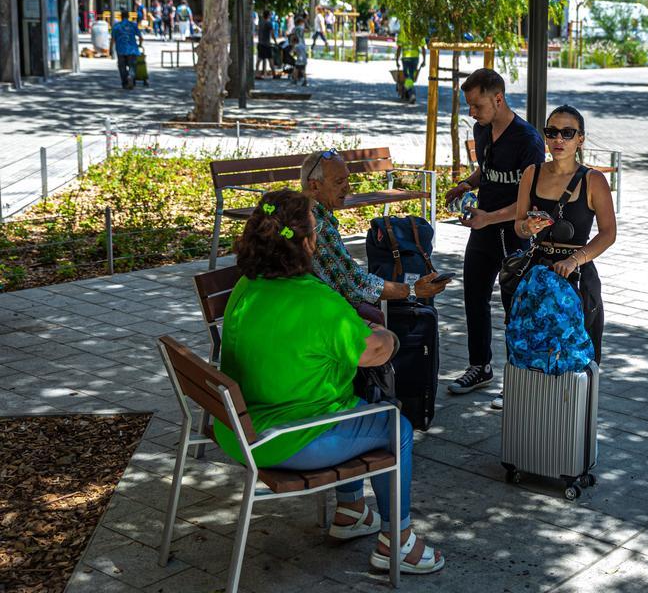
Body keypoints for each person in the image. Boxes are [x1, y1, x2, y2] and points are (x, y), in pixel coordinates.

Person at [213, 190, 444, 574]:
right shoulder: (317, 301)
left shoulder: (247, 286)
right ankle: (398, 542)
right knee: (395, 425)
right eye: (316, 232)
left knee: (351, 398)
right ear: (306, 243)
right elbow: (376, 352)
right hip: (287, 437)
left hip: (239, 427)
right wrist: (386, 335)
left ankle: (352, 512)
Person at [444, 69, 545, 397]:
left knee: (515, 307)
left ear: (498, 99)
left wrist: (490, 218)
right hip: (483, 230)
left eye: (476, 106)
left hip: (515, 234)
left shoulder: (529, 140)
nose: (472, 113)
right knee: (474, 296)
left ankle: (517, 379)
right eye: (469, 107)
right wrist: (465, 185)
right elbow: (485, 169)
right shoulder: (482, 129)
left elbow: (528, 202)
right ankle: (480, 366)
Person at [510, 105, 617, 397]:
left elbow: (609, 233)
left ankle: (575, 417)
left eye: (567, 133)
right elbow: (518, 225)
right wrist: (527, 229)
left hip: (577, 277)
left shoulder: (593, 180)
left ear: (580, 139)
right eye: (552, 132)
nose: (559, 139)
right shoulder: (531, 174)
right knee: (530, 345)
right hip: (538, 274)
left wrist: (574, 259)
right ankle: (529, 406)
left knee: (580, 354)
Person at [301, 149, 448, 320]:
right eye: (339, 181)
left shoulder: (299, 211)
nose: (347, 187)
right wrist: (413, 289)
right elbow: (356, 283)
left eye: (347, 179)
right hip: (312, 313)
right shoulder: (317, 226)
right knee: (383, 335)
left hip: (306, 304)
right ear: (314, 185)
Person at [110, 13, 143, 90]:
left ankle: (125, 83)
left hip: (121, 49)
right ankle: (130, 76)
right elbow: (141, 37)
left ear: (121, 17)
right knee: (132, 66)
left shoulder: (116, 26)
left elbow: (113, 40)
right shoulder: (133, 25)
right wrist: (139, 45)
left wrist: (110, 50)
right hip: (132, 49)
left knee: (122, 67)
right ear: (128, 17)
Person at [290, 15, 309, 85]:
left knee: (298, 64)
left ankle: (295, 79)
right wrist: (306, 22)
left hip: (297, 45)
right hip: (302, 45)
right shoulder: (302, 28)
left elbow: (292, 37)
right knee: (300, 64)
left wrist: (292, 46)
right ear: (301, 22)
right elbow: (309, 30)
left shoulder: (294, 29)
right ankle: (302, 79)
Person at [256, 9, 275, 78]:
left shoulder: (260, 22)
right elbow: (272, 33)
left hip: (260, 42)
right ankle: (274, 74)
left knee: (259, 59)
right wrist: (275, 42)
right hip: (266, 44)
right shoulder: (269, 23)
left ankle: (257, 74)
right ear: (268, 15)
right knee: (270, 58)